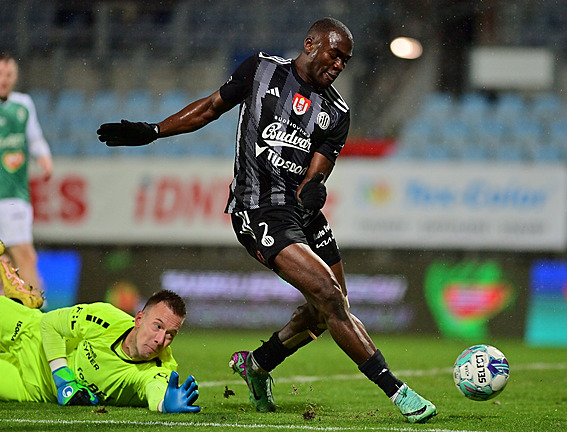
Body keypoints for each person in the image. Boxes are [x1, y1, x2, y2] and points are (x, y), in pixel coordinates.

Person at [97, 17, 436, 423]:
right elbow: (209, 108)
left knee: (330, 307)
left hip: (302, 214)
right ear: (310, 43)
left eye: (346, 61)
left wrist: (315, 186)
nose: (339, 65)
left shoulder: (337, 112)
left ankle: (258, 363)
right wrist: (153, 130)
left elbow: (317, 173)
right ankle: (397, 391)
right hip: (257, 210)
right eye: (334, 54)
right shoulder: (260, 70)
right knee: (330, 296)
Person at [0, 261, 200, 414]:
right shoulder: (105, 318)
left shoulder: (159, 369)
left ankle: (19, 299)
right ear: (139, 319)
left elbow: (156, 389)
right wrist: (64, 381)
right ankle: (19, 302)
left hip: (30, 386)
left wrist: (165, 405)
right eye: (157, 326)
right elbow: (49, 323)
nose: (160, 340)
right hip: (27, 330)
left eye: (170, 335)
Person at [0, 52, 53, 299]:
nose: (4, 79)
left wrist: (43, 157)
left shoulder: (23, 104)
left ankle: (33, 315)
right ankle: (34, 314)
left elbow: (34, 138)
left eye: (8, 74)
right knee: (15, 257)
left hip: (14, 195)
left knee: (20, 255)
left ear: (16, 76)